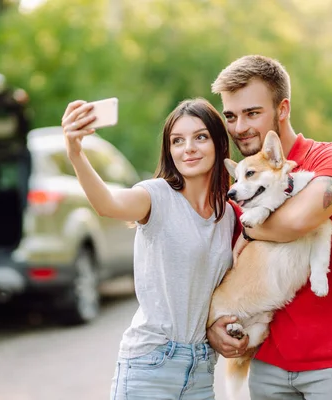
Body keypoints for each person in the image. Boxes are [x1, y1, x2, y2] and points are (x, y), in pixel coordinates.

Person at [207, 54, 332, 399]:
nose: (239, 126)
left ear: (282, 109)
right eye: (231, 115)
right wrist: (215, 326)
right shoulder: (241, 187)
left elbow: (299, 222)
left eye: (252, 113)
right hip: (267, 359)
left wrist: (247, 229)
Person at [61, 98, 241, 399]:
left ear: (219, 143)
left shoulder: (229, 214)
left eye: (200, 137)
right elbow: (107, 204)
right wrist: (75, 152)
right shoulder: (155, 196)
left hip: (201, 368)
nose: (189, 148)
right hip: (151, 363)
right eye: (177, 141)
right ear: (169, 151)